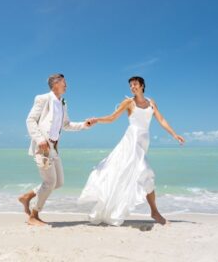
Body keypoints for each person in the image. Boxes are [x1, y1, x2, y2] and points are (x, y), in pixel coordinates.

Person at [79, 76, 185, 226]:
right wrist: (96, 120)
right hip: (131, 141)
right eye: (130, 85)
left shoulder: (151, 102)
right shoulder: (129, 102)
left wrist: (174, 135)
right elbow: (112, 118)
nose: (132, 87)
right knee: (145, 172)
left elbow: (161, 120)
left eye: (135, 84)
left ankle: (152, 211)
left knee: (134, 175)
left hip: (143, 140)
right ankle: (155, 212)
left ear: (142, 86)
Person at [18, 73, 93, 226]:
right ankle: (33, 215)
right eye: (64, 82)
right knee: (50, 181)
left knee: (58, 182)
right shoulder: (43, 99)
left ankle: (27, 196)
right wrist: (39, 139)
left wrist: (84, 125)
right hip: (43, 147)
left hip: (54, 147)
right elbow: (30, 120)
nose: (66, 85)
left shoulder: (63, 103)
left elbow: (66, 125)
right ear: (55, 84)